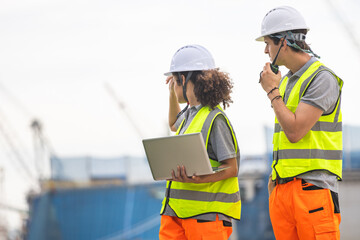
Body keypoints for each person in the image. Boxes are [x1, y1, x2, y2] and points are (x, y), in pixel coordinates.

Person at [257, 6, 343, 240]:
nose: (266, 50)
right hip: (282, 191)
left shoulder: (321, 78)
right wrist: (274, 180)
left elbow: (295, 131)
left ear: (283, 42)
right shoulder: (286, 82)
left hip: (312, 191)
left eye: (268, 43)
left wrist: (272, 91)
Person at [159, 44, 241, 240]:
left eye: (176, 81)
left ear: (185, 79)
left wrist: (199, 179)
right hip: (177, 214)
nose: (175, 85)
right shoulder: (189, 114)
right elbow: (172, 124)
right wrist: (171, 92)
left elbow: (231, 168)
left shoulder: (214, 118)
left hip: (206, 219)